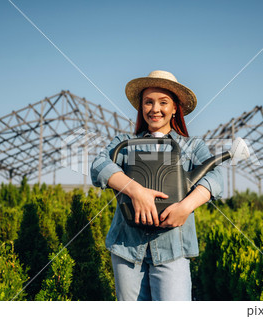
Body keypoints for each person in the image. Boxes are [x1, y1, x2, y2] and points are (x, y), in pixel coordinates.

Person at [90, 70, 224, 301]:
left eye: (163, 102)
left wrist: (186, 207)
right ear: (141, 107)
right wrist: (136, 191)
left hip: (173, 247)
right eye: (148, 102)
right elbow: (99, 165)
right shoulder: (125, 144)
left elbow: (216, 177)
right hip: (127, 247)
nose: (155, 109)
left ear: (175, 108)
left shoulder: (192, 146)